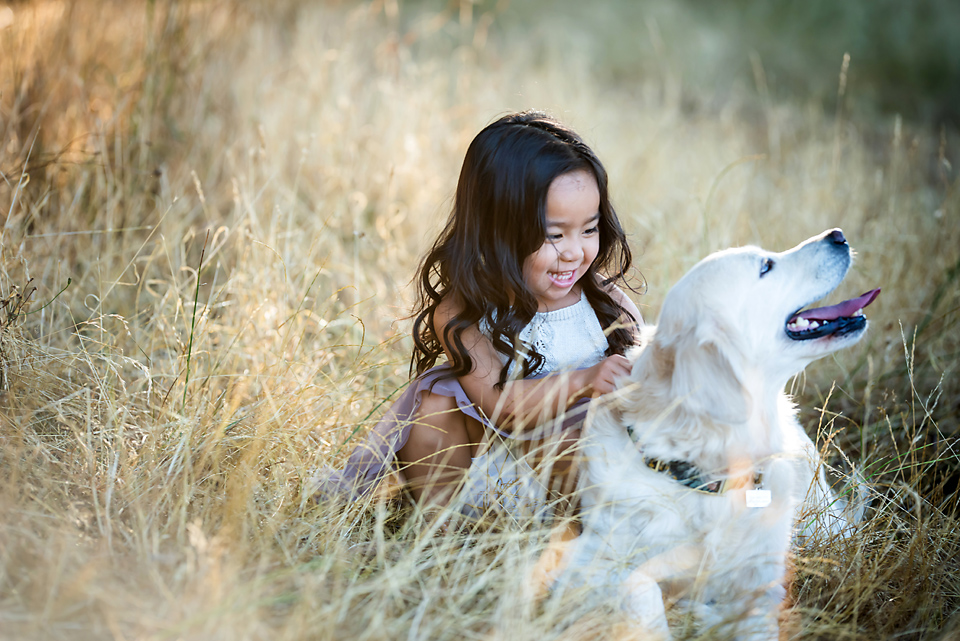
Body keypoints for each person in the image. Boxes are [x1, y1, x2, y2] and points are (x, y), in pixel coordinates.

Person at [318, 111, 642, 520]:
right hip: (495, 478)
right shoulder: (464, 312)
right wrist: (584, 380)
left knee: (581, 435)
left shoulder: (602, 300)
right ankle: (441, 528)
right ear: (497, 231)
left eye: (589, 230)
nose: (575, 251)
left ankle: (575, 529)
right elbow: (501, 406)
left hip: (586, 475)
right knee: (435, 405)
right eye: (553, 235)